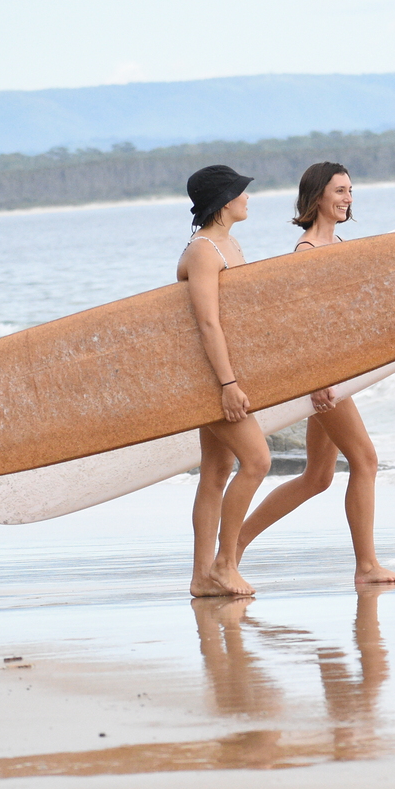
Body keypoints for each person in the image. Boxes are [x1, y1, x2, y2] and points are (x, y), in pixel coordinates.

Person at [237, 162, 395, 584]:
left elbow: (363, 317)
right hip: (324, 378)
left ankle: (232, 546)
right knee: (365, 460)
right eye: (339, 191)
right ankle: (367, 567)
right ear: (317, 196)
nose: (347, 198)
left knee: (317, 477)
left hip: (338, 375)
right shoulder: (306, 254)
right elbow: (301, 327)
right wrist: (318, 381)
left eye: (351, 190)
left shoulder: (340, 245)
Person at [179, 164, 271, 597]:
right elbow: (207, 324)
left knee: (216, 472)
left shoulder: (229, 244)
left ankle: (202, 578)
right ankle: (224, 563)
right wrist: (227, 384)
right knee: (258, 462)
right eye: (241, 191)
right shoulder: (203, 251)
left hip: (218, 373)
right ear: (223, 200)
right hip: (209, 377)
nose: (247, 197)